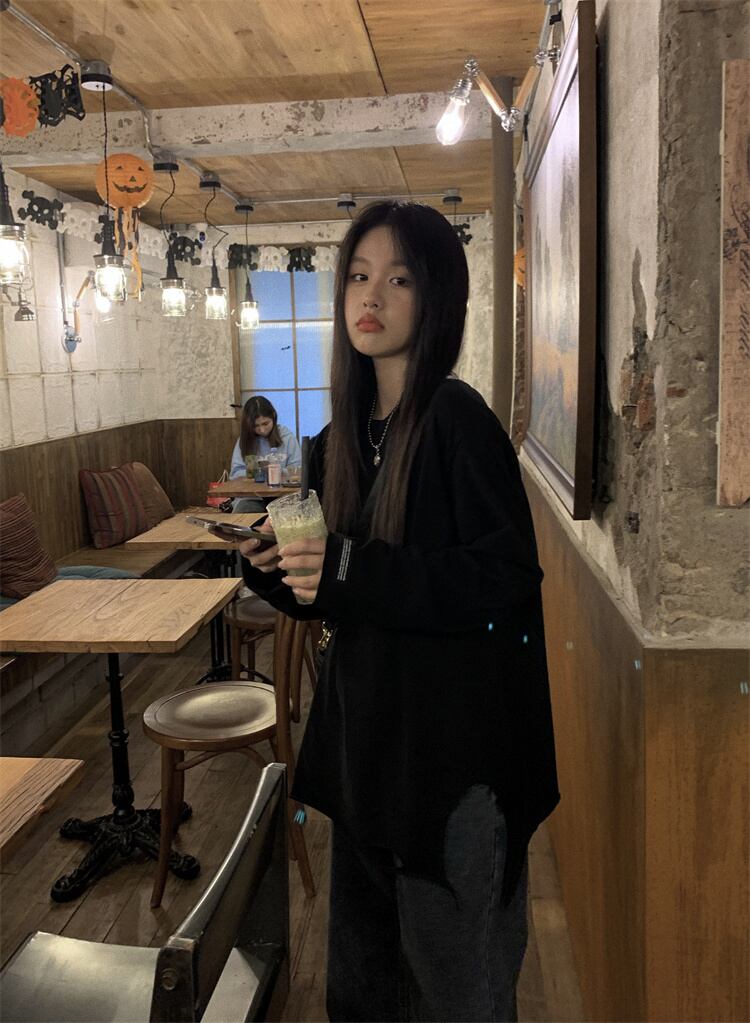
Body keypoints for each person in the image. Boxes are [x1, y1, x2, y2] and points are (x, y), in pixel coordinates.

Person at [239, 201, 559, 1022]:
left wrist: (346, 564)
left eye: (399, 278)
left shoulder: (457, 420)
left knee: (460, 996)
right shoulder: (336, 440)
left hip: (455, 770)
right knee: (364, 993)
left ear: (436, 297)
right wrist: (275, 569)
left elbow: (503, 577)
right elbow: (333, 591)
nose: (371, 294)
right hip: (366, 759)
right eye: (357, 275)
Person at [229, 395, 301, 512]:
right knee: (244, 510)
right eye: (256, 426)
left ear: (273, 416)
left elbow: (298, 470)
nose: (262, 430)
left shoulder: (287, 438)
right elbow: (235, 474)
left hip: (282, 495)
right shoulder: (243, 440)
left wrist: (276, 472)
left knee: (291, 513)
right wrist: (259, 472)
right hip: (251, 496)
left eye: (265, 423)